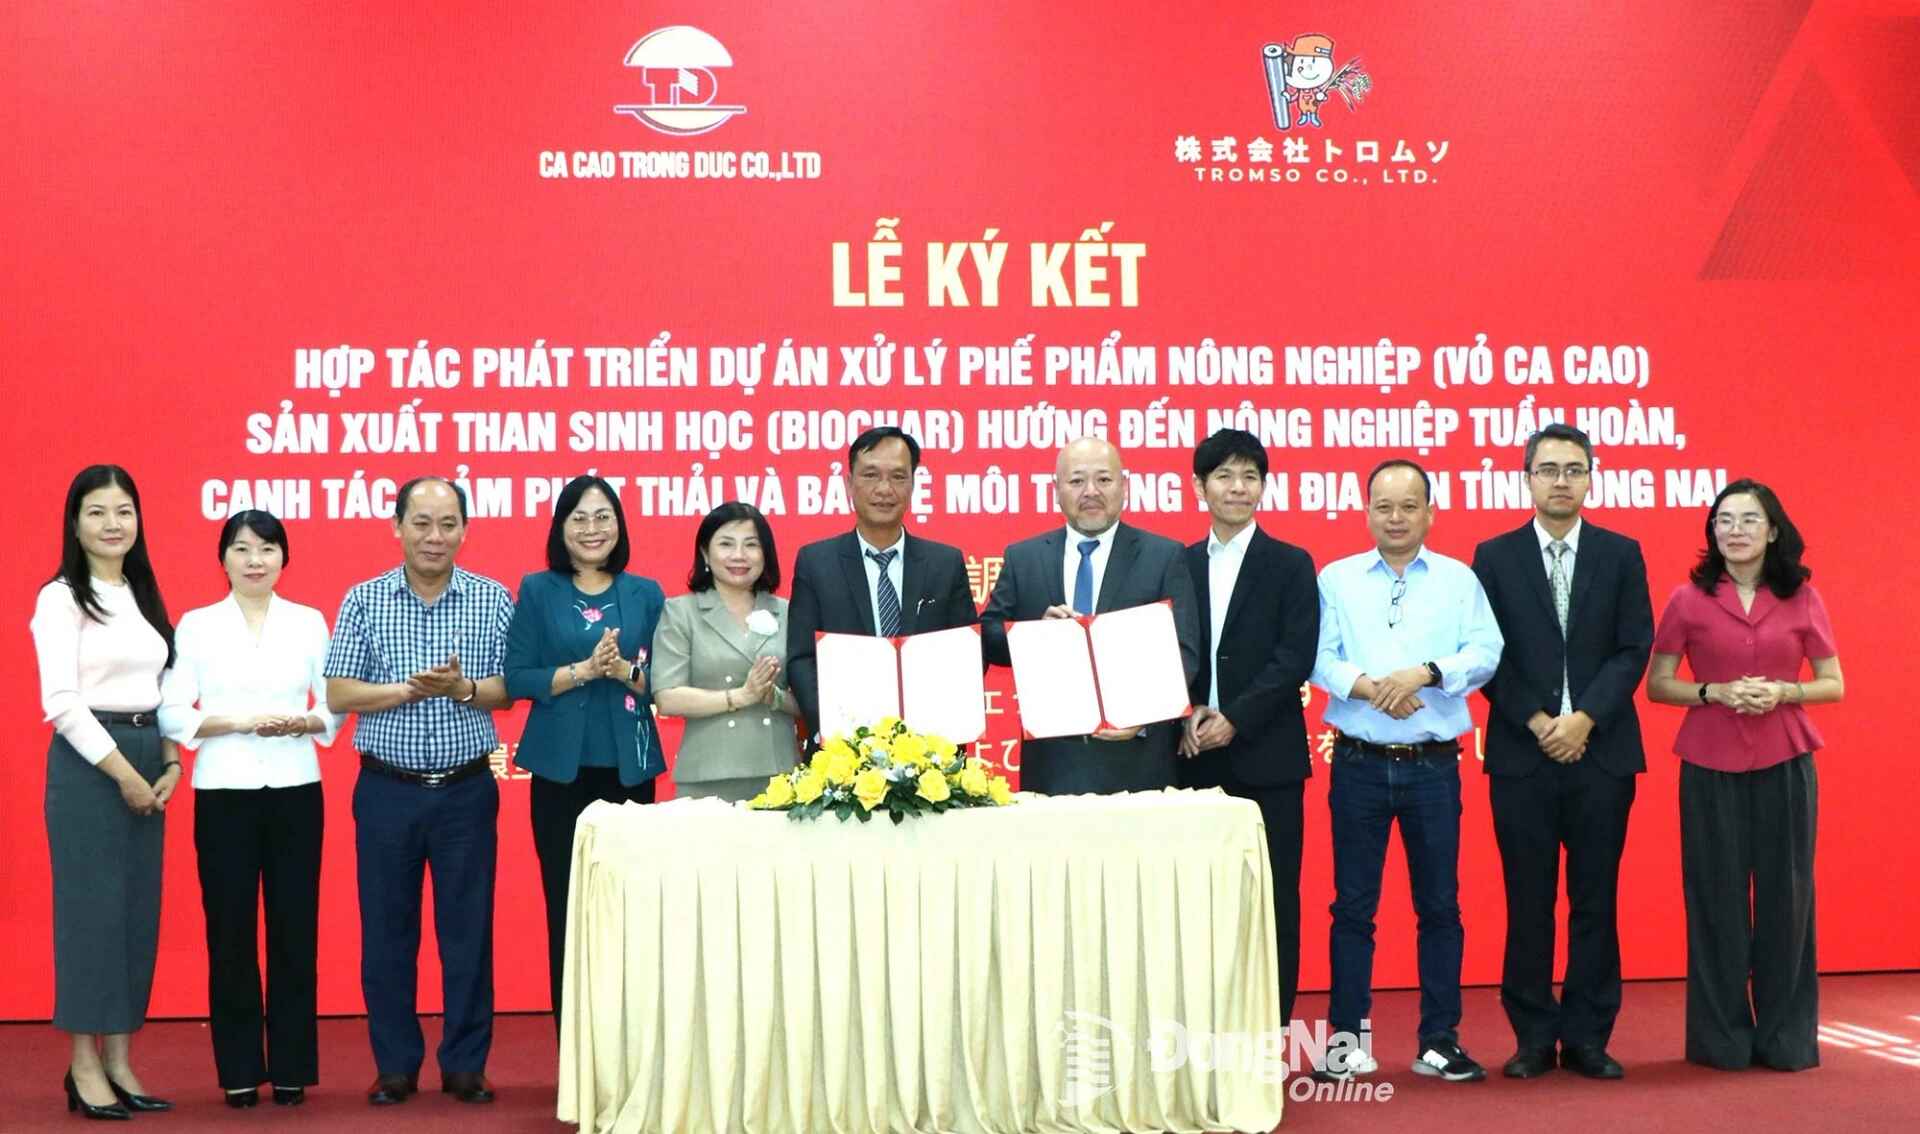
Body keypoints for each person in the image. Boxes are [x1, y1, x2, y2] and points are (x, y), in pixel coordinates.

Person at [1309, 458, 1502, 1083]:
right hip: (1360, 765)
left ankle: (1439, 1040)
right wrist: (1369, 688)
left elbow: (1486, 651)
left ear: (1430, 512)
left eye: (1409, 506)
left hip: (1433, 768)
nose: (1396, 518)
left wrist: (1425, 673)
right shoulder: (1336, 578)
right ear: (1366, 512)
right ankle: (1345, 1040)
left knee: (1440, 907)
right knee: (1352, 908)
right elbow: (1320, 658)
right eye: (1384, 506)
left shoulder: (1457, 579)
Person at [323, 477, 514, 1106]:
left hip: (465, 791)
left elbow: (508, 690)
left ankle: (465, 1064)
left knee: (468, 932)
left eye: (448, 524)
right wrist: (406, 690)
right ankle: (396, 1066)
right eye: (423, 523)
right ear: (397, 526)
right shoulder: (363, 599)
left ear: (465, 529)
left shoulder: (491, 599)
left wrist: (462, 690)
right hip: (387, 791)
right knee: (387, 933)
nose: (436, 536)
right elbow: (339, 694)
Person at [1471, 425, 1652, 1081]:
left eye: (1573, 469)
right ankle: (1531, 1037)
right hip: (1523, 753)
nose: (1560, 481)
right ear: (1527, 478)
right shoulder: (1493, 557)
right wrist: (1542, 720)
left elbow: (1634, 647)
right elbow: (1485, 655)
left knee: (1595, 900)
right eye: (1548, 469)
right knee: (1528, 900)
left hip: (1601, 754)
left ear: (1590, 478)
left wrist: (1583, 720)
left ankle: (1588, 1037)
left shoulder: (1621, 553)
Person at [1646, 479, 1843, 1071]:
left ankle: (1785, 1040)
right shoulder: (1687, 598)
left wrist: (1786, 690)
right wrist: (1715, 692)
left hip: (1786, 759)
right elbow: (1659, 683)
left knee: (1788, 899)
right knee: (1715, 899)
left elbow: (1834, 683)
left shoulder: (1803, 597)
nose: (1735, 530)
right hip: (1710, 763)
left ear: (1773, 530)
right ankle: (1721, 1041)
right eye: (1724, 520)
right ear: (1712, 532)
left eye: (1749, 519)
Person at [160, 511, 341, 1107]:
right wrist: (238, 722)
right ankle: (239, 1069)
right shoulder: (197, 625)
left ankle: (291, 1069)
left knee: (295, 930)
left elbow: (335, 702)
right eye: (242, 549)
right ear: (224, 559)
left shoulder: (310, 622)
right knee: (230, 933)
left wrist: (304, 721)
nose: (255, 560)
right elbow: (172, 710)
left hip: (295, 788)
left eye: (267, 548)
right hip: (223, 793)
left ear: (284, 557)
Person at [31, 464, 181, 1120]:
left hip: (149, 756)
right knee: (91, 920)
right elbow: (61, 702)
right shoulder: (61, 597)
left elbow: (166, 684)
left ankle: (120, 1058)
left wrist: (171, 762)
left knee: (134, 919)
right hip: (92, 764)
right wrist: (125, 774)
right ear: (74, 523)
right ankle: (83, 1066)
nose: (113, 523)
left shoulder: (143, 592)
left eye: (124, 510)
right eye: (97, 512)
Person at [503, 475, 663, 1036]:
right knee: (567, 911)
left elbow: (663, 684)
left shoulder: (647, 593)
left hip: (629, 769)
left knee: (629, 912)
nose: (592, 529)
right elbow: (518, 676)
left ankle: (630, 1044)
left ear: (619, 526)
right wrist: (583, 672)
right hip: (559, 773)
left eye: (602, 517)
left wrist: (623, 672)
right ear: (561, 527)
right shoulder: (538, 589)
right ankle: (573, 1048)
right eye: (579, 517)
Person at [1178, 430, 1318, 1026]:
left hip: (1268, 757)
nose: (1238, 488)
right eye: (1225, 476)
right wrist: (1185, 713)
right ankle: (1200, 1024)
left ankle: (1270, 1028)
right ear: (1199, 486)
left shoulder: (1290, 563)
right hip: (1189, 755)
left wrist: (1235, 717)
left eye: (1250, 477)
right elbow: (1166, 649)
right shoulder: (1176, 562)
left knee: (1273, 898)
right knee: (1194, 901)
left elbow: (1295, 657)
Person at [981, 436, 1201, 793]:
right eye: (1077, 480)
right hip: (1053, 763)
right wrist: (1034, 635)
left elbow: (1185, 650)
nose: (1091, 491)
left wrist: (1142, 713)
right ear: (1056, 490)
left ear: (1124, 486)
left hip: (1139, 760)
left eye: (1103, 479)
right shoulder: (1025, 558)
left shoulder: (1163, 556)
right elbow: (988, 636)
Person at [785, 427, 978, 740]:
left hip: (931, 748)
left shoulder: (945, 563)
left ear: (913, 484)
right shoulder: (816, 562)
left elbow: (966, 654)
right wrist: (833, 729)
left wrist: (940, 725)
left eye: (898, 477)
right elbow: (802, 659)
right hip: (843, 750)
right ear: (849, 484)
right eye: (870, 475)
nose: (884, 489)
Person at [653, 502, 800, 801]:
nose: (739, 555)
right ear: (706, 553)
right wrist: (741, 696)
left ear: (765, 554)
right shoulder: (681, 612)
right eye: (726, 544)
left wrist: (775, 696)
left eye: (751, 545)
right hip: (707, 774)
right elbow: (667, 698)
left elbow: (814, 699)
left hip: (780, 777)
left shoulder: (789, 612)